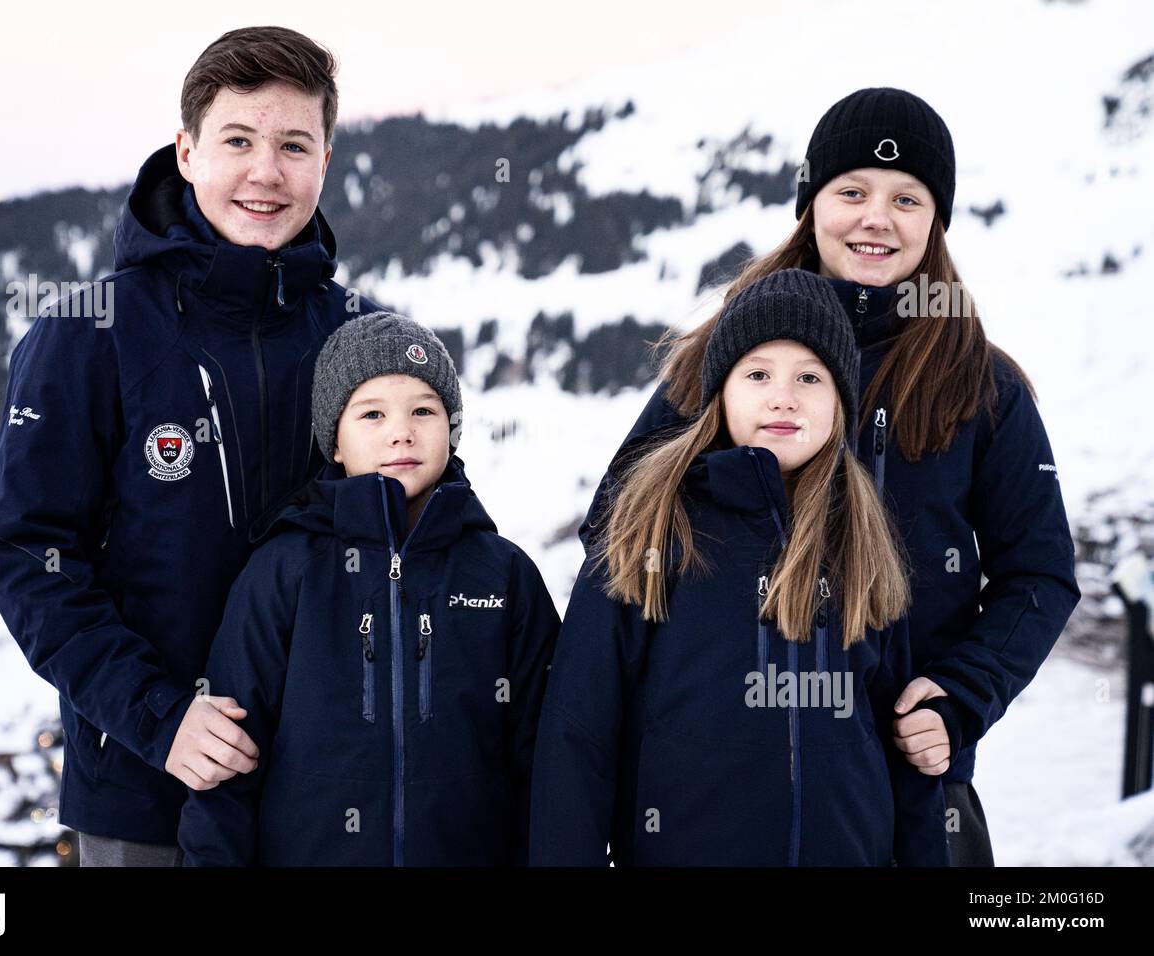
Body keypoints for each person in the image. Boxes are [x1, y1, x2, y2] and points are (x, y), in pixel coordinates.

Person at [576, 87, 1080, 865]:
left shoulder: (982, 385)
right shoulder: (726, 355)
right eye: (851, 191)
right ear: (811, 205)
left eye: (906, 198)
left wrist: (959, 696)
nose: (876, 217)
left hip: (910, 776)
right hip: (721, 788)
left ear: (935, 220)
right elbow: (617, 531)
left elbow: (1039, 573)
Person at [0, 26, 384, 866]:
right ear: (187, 150)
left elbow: (410, 536)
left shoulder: (357, 338)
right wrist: (158, 717)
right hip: (144, 794)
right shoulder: (91, 329)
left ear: (326, 159)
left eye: (293, 145)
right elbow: (30, 554)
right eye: (238, 140)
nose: (265, 172)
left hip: (320, 795)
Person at [530, 269, 950, 866]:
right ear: (719, 394)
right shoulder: (650, 528)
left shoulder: (863, 542)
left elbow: (900, 744)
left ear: (840, 403)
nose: (783, 396)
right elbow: (577, 731)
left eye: (810, 377)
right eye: (757, 374)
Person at [178, 312, 561, 865]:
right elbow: (227, 759)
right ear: (334, 440)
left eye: (424, 411)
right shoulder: (285, 571)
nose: (401, 431)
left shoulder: (503, 576)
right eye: (372, 413)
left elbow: (543, 760)